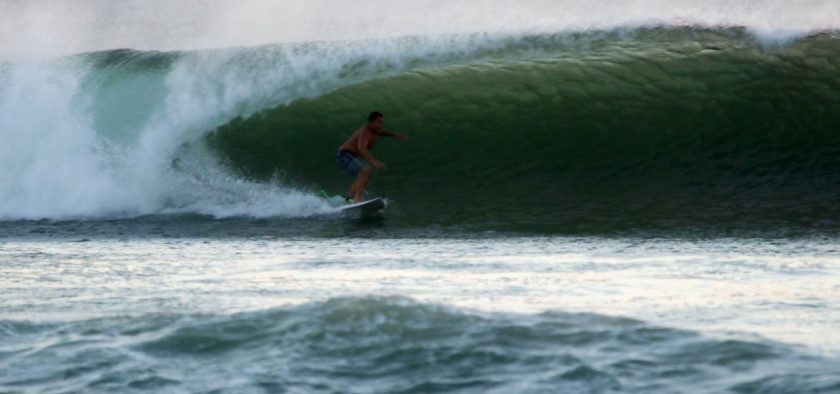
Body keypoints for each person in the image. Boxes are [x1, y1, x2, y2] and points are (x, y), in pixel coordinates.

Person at [336, 111, 408, 203]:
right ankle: (358, 198)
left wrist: (395, 135)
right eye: (379, 122)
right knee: (366, 170)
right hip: (345, 155)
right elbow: (361, 148)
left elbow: (383, 132)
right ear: (371, 122)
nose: (381, 125)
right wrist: (375, 161)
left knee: (361, 176)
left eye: (382, 122)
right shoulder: (366, 131)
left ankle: (349, 199)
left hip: (351, 156)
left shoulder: (374, 131)